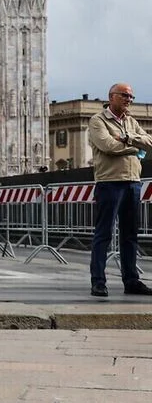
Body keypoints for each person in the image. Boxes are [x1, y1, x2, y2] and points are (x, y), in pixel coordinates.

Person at [86, 82, 152, 297]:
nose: (128, 100)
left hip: (133, 181)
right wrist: (136, 147)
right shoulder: (98, 121)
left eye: (131, 97)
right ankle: (98, 281)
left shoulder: (131, 121)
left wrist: (126, 138)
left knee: (130, 234)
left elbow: (150, 142)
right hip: (109, 182)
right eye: (124, 95)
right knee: (103, 233)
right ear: (111, 96)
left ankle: (131, 280)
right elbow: (108, 146)